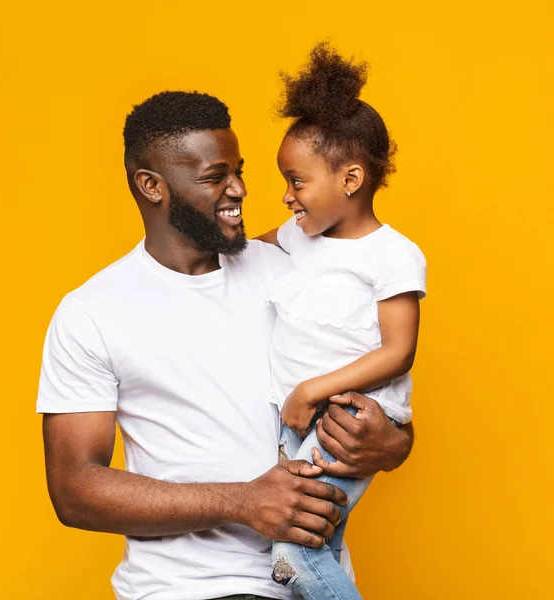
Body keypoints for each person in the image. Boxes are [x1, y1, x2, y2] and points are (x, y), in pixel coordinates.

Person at [37, 89, 414, 600]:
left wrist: (390, 444)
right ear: (152, 186)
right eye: (216, 177)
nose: (238, 189)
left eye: (240, 171)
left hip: (314, 581)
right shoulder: (91, 313)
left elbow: (378, 392)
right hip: (183, 590)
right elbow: (74, 490)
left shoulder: (293, 269)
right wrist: (241, 502)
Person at [256, 43, 426, 599]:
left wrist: (314, 389)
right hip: (294, 424)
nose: (285, 196)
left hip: (345, 423)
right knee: (317, 549)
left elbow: (398, 352)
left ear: (350, 180)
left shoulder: (393, 254)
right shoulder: (295, 239)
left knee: (295, 553)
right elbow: (239, 251)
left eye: (296, 181)